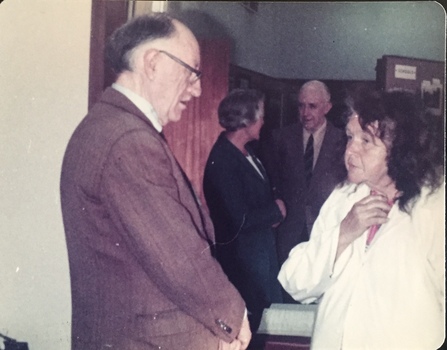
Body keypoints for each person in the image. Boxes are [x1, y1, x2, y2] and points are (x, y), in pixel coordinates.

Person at [60, 14, 251, 350]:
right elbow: (177, 256)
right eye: (192, 72)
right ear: (153, 63)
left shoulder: (111, 126)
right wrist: (232, 319)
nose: (198, 89)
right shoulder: (127, 139)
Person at [278, 88, 445, 349]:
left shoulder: (435, 205)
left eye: (366, 140)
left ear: (401, 147)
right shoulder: (344, 196)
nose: (350, 151)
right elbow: (295, 282)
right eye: (349, 137)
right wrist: (344, 233)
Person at [203, 89, 287, 333]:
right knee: (255, 328)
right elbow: (237, 219)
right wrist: (275, 211)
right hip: (244, 263)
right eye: (260, 116)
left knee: (270, 324)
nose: (263, 122)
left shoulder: (248, 152)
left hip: (261, 255)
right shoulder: (223, 160)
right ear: (245, 120)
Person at [261, 80, 346, 268]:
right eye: (301, 106)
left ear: (327, 107)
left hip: (326, 231)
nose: (305, 113)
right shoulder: (281, 138)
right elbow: (271, 182)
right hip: (289, 229)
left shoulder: (343, 141)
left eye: (312, 106)